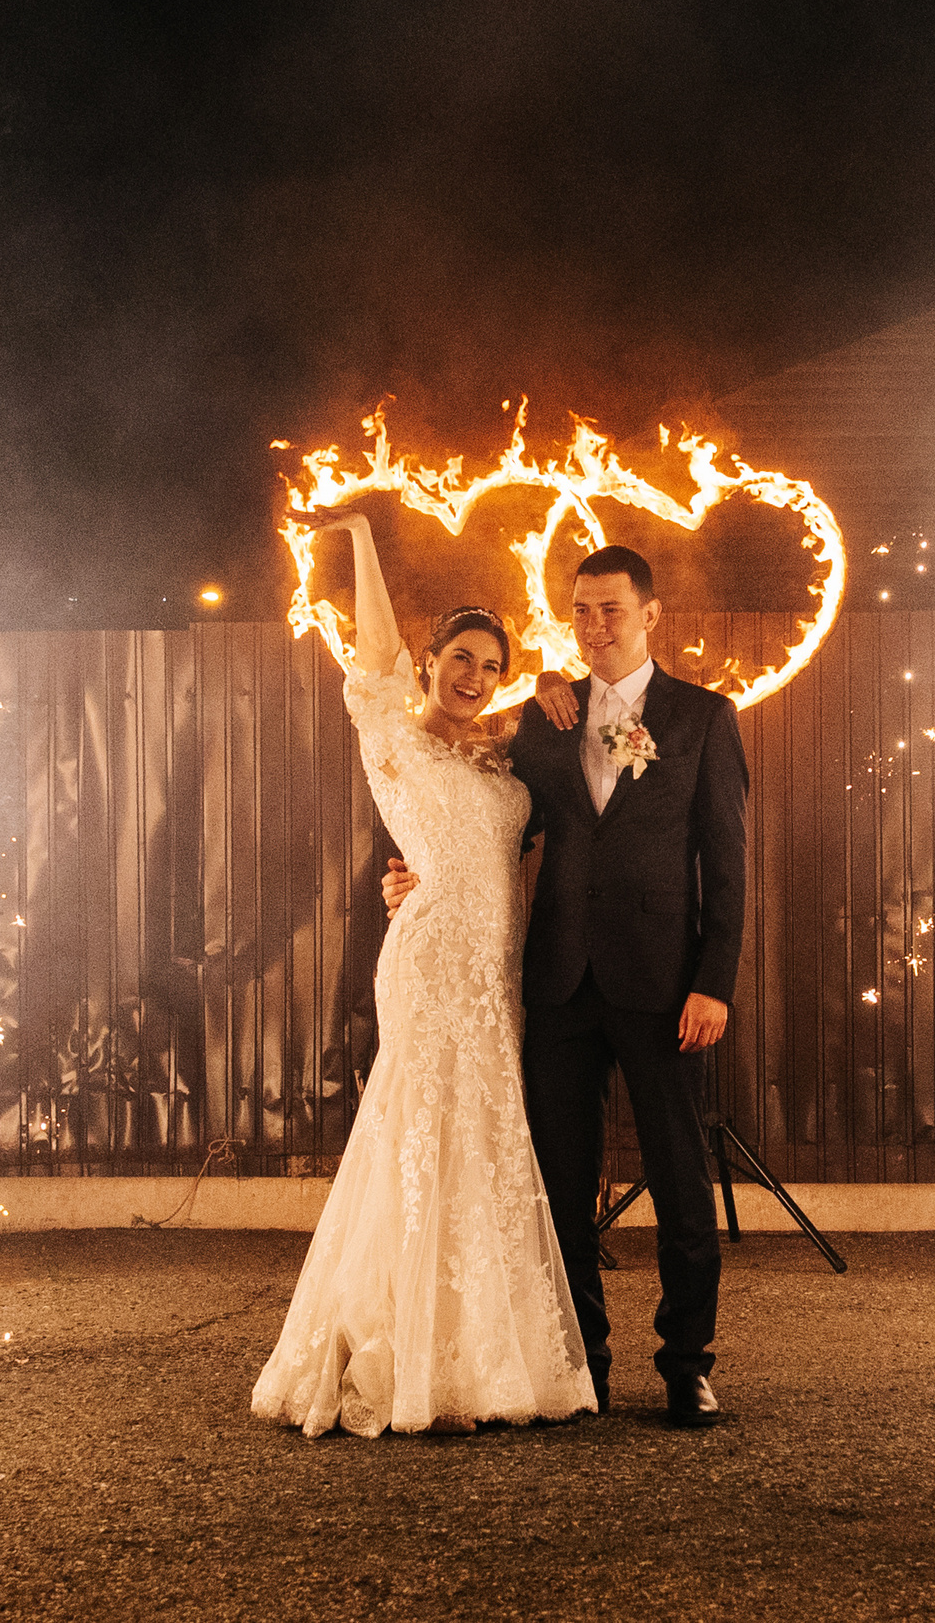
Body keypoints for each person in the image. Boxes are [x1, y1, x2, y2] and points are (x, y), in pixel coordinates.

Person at [250, 510, 598, 1438]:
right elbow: (374, 653)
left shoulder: (504, 751)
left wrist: (559, 681)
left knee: (484, 1137)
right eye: (460, 658)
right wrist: (361, 538)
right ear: (433, 659)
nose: (472, 676)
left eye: (490, 664)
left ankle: (478, 1350)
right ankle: (390, 1344)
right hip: (430, 956)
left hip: (498, 971)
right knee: (417, 1132)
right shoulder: (394, 738)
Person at [386, 544, 747, 1428]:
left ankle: (686, 1362)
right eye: (580, 610)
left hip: (663, 987)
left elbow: (728, 865)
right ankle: (580, 1361)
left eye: (610, 609)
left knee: (680, 1179)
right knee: (558, 1181)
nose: (593, 625)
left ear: (649, 615)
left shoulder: (703, 717)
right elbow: (484, 823)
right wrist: (414, 877)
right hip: (555, 983)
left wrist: (715, 981)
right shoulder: (545, 718)